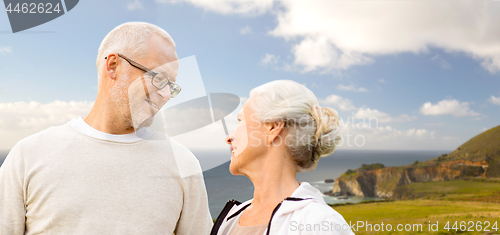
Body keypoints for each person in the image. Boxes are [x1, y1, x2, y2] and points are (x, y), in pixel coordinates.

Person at [0, 22, 212, 234]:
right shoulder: (28, 155)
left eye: (171, 86)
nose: (166, 95)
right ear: (112, 66)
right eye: (158, 78)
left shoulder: (184, 164)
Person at [211, 80, 355, 235]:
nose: (228, 138)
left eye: (241, 120)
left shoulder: (320, 224)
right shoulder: (230, 220)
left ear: (273, 127)